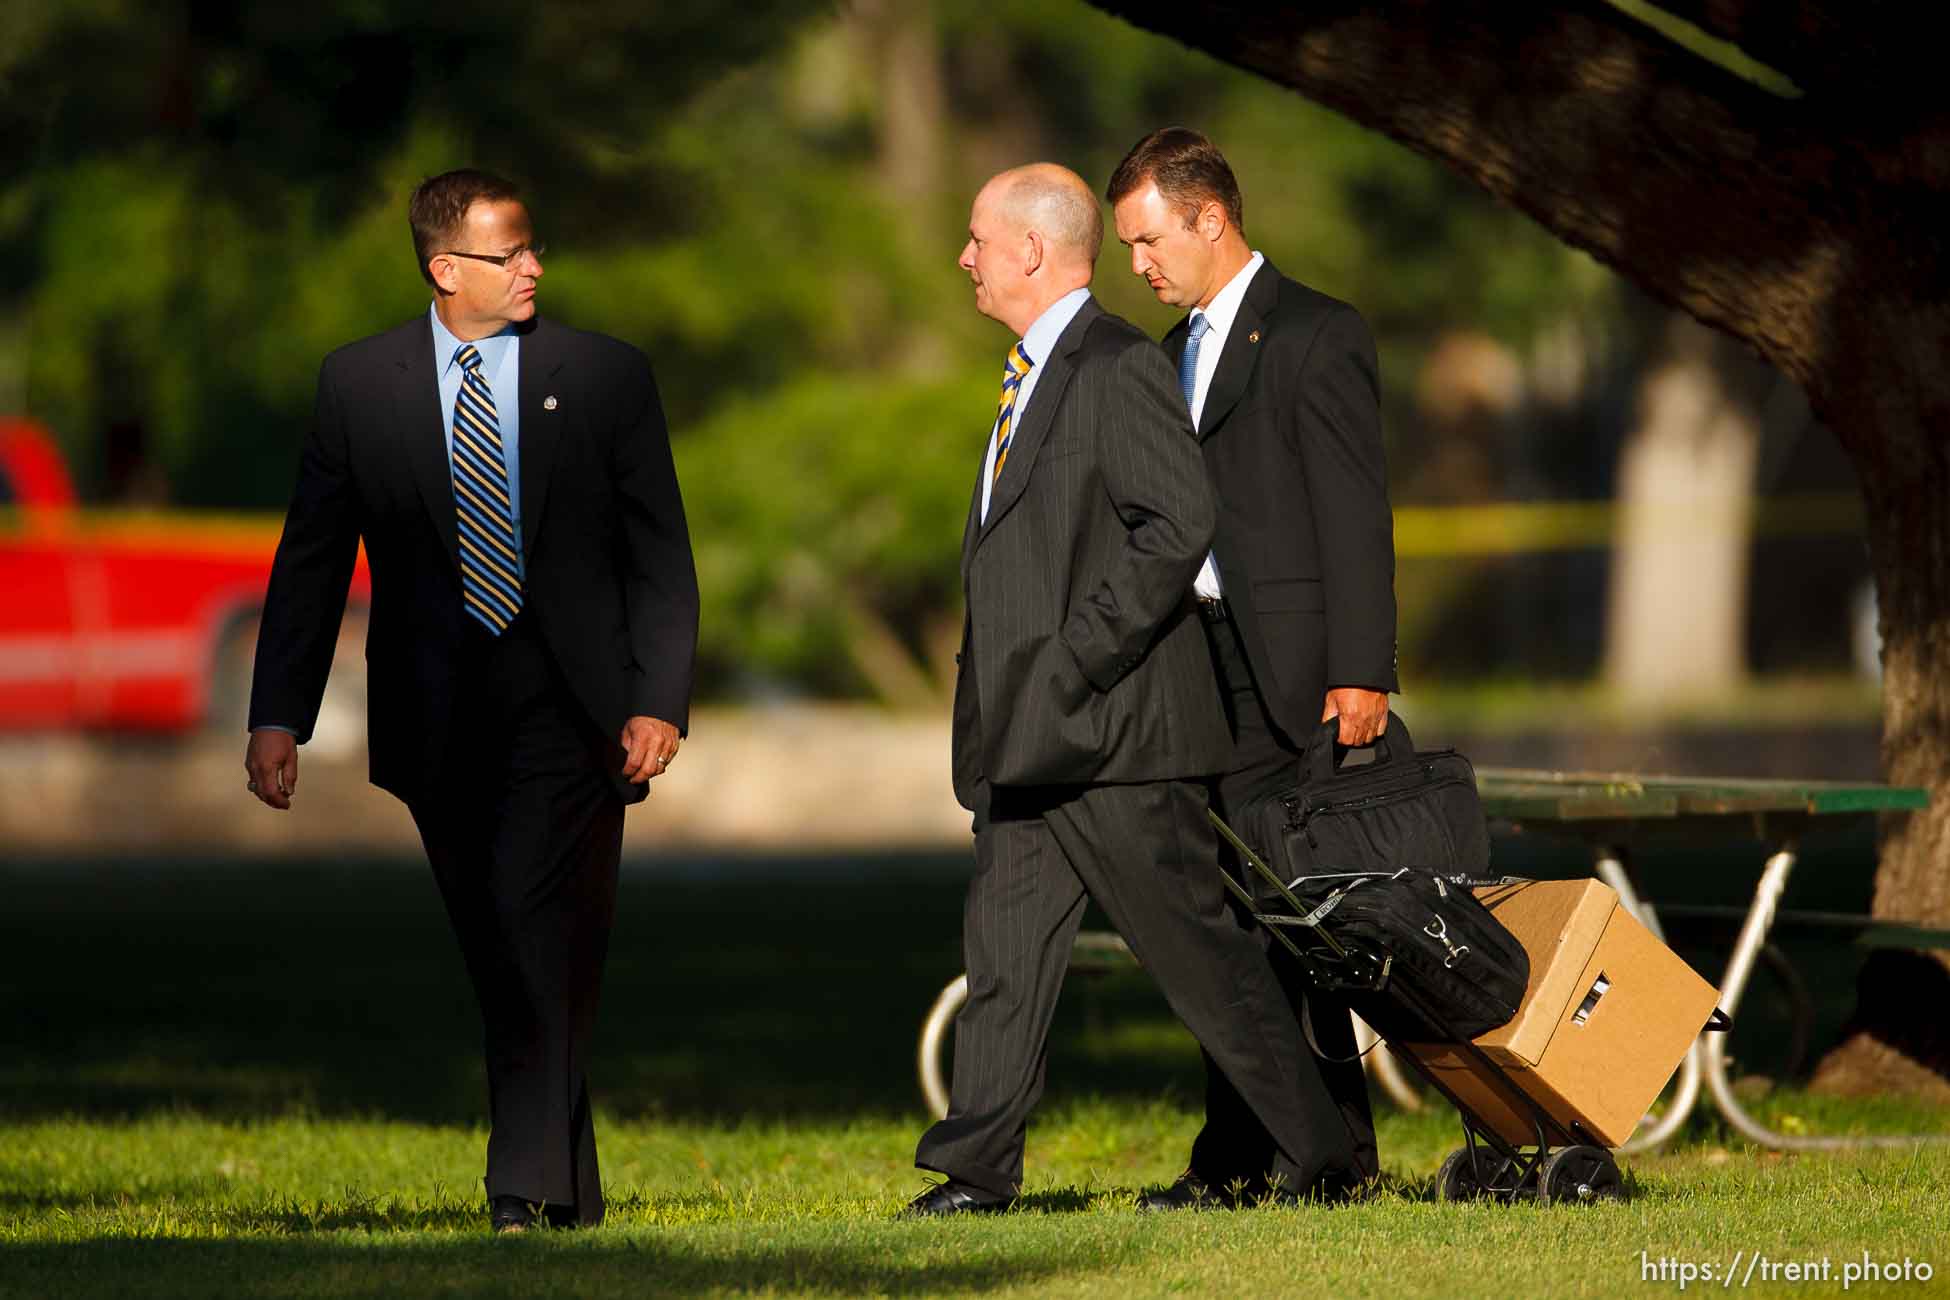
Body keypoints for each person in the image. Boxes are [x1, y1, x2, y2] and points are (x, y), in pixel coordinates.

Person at [243, 169, 698, 1234]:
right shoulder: (359, 384)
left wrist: (658, 699)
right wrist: (278, 714)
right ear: (447, 270)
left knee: (532, 926)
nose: (535, 266)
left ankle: (519, 1188)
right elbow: (310, 560)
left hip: (576, 712)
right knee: (515, 943)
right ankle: (569, 1186)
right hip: (438, 715)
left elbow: (660, 559)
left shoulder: (603, 377)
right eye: (510, 254)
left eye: (535, 249)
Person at [904, 163, 1363, 1217]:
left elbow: (1177, 524)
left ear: (1029, 250)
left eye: (977, 239)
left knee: (1203, 957)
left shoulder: (1113, 366)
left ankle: (1321, 1155)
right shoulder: (1029, 372)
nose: (965, 259)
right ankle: (974, 1172)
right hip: (1031, 737)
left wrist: (1076, 659)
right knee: (1006, 959)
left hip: (1119, 735)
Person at [1108, 127, 1398, 1209]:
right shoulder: (1167, 351)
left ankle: (1332, 1157)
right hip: (1193, 676)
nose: (1137, 264)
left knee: (1307, 927)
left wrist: (1361, 671)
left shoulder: (1318, 335)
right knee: (1223, 932)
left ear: (1209, 217)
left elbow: (1355, 518)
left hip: (1298, 681)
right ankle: (1241, 1155)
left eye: (1147, 239)